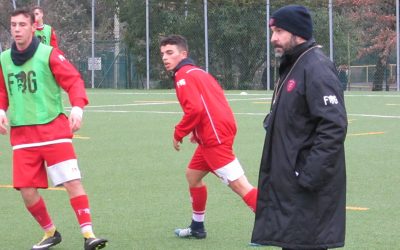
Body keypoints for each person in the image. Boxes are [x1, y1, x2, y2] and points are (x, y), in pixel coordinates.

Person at [0, 8, 107, 250]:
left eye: (21, 25)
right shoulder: (4, 58)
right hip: (23, 137)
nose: (16, 29)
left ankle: (89, 234)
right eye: (13, 25)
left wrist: (78, 108)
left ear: (32, 26)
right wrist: (1, 110)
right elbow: (2, 91)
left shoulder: (49, 54)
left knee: (72, 181)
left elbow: (74, 81)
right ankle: (51, 232)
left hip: (53, 131)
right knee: (26, 191)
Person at [251, 5, 347, 250]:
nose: (273, 38)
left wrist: (307, 175)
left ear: (298, 32)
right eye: (272, 31)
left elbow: (333, 126)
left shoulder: (316, 66)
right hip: (291, 187)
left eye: (279, 31)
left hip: (306, 188)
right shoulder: (294, 64)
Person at [160, 35, 258, 239]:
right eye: (163, 54)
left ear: (183, 54)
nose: (165, 58)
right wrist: (199, 132)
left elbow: (195, 109)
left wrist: (180, 132)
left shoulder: (183, 75)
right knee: (193, 176)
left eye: (170, 53)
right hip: (214, 133)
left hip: (215, 138)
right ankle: (197, 226)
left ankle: (276, 227)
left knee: (241, 186)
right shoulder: (198, 72)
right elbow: (212, 102)